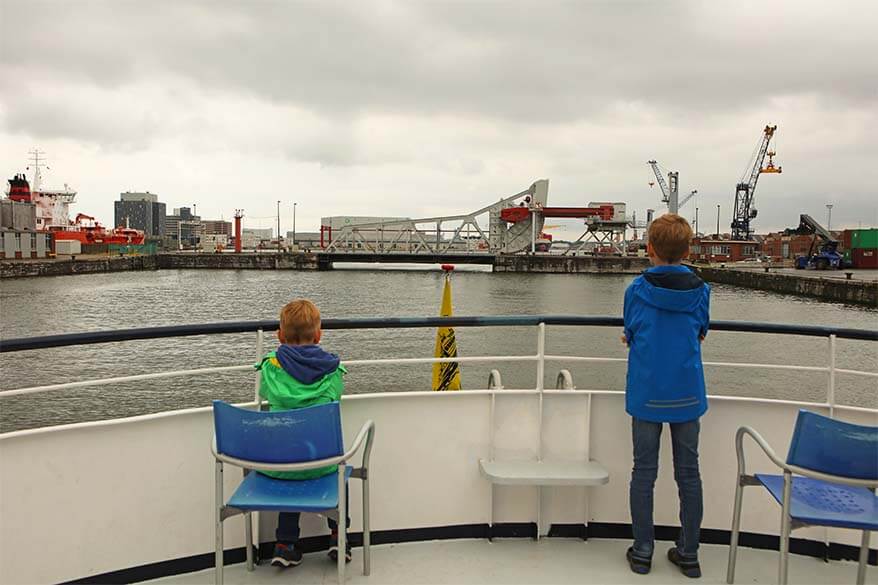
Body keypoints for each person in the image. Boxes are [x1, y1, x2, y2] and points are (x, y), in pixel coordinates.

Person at [622, 214, 710, 579]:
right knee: (688, 474)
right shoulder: (702, 290)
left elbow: (630, 330)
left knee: (644, 472)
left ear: (649, 249)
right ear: (688, 250)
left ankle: (643, 551)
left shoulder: (635, 291)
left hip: (647, 392)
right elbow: (701, 331)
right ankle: (688, 553)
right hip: (687, 394)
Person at [256, 298, 349, 568]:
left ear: (279, 335)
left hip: (279, 465)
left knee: (290, 463)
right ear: (319, 335)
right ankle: (339, 536)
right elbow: (336, 398)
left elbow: (266, 395)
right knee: (338, 468)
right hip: (322, 464)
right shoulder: (333, 371)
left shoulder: (270, 369)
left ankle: (285, 545)